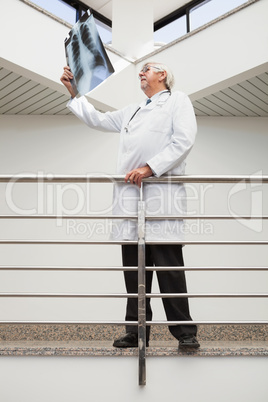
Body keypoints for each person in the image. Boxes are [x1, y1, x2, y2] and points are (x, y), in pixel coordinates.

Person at [60, 62, 200, 349]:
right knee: (134, 273)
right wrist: (74, 93)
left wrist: (150, 167)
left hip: (161, 199)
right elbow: (97, 119)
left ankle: (185, 333)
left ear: (163, 75)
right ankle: (136, 332)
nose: (141, 72)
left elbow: (184, 140)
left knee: (169, 269)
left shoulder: (178, 101)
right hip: (129, 202)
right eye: (141, 70)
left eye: (147, 69)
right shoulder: (132, 110)